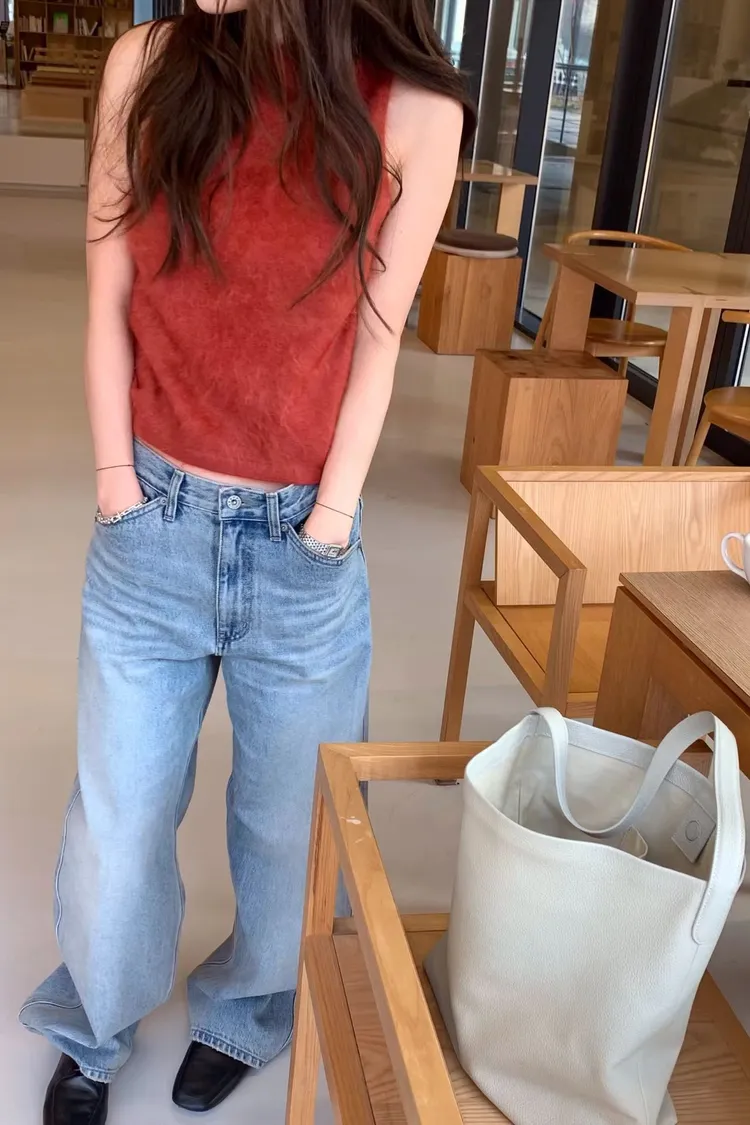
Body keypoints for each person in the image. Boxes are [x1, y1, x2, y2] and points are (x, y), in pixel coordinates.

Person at [19, 1, 473, 1122]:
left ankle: (247, 1010)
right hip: (151, 522)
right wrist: (117, 487)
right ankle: (94, 1021)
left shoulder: (415, 110)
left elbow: (379, 334)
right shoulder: (149, 64)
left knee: (285, 827)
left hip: (301, 545)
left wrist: (331, 522)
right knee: (119, 822)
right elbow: (109, 294)